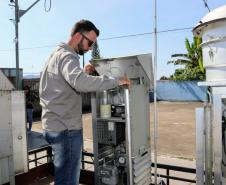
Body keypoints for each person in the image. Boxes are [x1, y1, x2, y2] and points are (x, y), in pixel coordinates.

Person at [39, 19, 130, 185]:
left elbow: (65, 85)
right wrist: (116, 81)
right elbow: (80, 83)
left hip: (53, 126)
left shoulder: (56, 55)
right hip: (66, 129)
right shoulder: (68, 55)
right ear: (77, 36)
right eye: (89, 43)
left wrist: (83, 72)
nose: (89, 48)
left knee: (63, 176)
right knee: (68, 181)